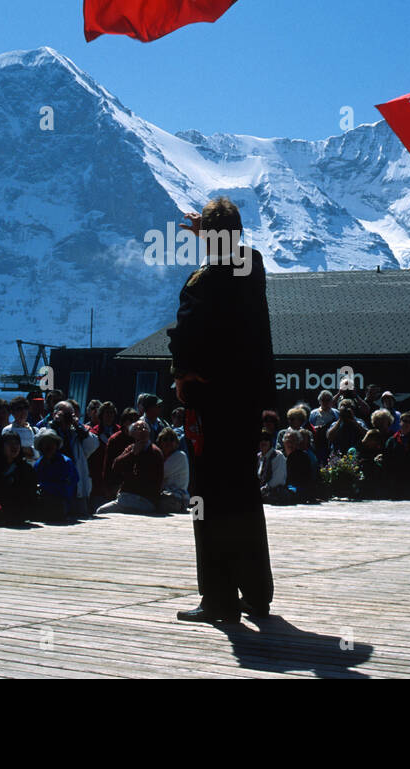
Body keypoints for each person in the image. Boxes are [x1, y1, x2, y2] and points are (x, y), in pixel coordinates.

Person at [168, 197, 275, 623]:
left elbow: (188, 338)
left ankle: (218, 598)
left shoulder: (201, 283)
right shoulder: (254, 268)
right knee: (244, 494)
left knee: (208, 499)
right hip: (246, 405)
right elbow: (237, 255)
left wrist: (181, 375)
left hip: (212, 407)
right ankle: (256, 593)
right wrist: (212, 232)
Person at [97, 420, 164, 515]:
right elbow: (116, 466)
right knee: (101, 511)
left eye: (145, 427)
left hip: (144, 499)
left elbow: (153, 480)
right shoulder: (131, 449)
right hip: (126, 497)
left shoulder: (155, 452)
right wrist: (132, 454)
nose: (143, 430)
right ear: (133, 434)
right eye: (138, 428)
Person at [0, 433, 39, 525]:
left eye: (16, 443)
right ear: (2, 446)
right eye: (9, 443)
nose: (14, 447)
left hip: (18, 508)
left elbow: (29, 493)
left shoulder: (26, 468)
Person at [33, 429, 77, 521]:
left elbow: (68, 487)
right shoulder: (38, 464)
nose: (49, 446)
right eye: (45, 443)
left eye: (51, 443)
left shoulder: (66, 462)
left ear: (56, 445)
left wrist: (44, 486)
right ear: (41, 446)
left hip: (62, 504)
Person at [158, 427, 191, 511]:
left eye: (172, 439)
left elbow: (159, 474)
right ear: (160, 442)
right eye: (165, 439)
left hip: (177, 498)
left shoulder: (180, 456)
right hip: (165, 495)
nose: (168, 442)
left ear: (177, 443)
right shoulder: (161, 456)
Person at [257, 430, 289, 504]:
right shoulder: (258, 457)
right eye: (261, 439)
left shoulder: (278, 456)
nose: (263, 442)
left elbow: (277, 480)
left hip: (275, 492)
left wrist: (263, 489)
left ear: (270, 442)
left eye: (266, 439)